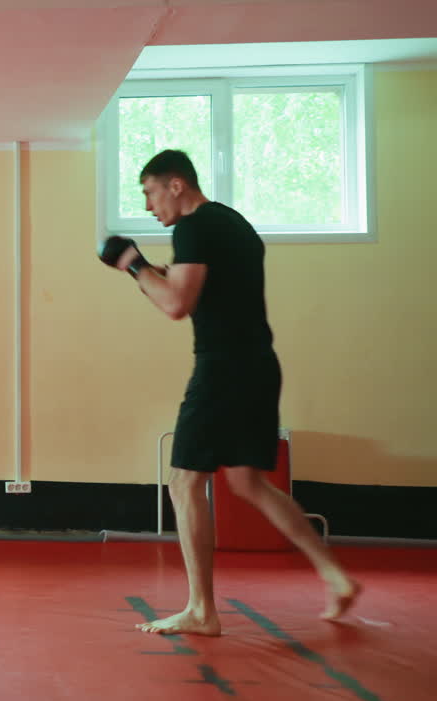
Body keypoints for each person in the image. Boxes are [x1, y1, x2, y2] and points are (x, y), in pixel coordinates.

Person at [100, 149, 359, 636]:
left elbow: (176, 304)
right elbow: (202, 285)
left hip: (224, 367)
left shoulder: (192, 228)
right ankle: (334, 574)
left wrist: (134, 266)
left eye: (150, 193)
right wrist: (151, 270)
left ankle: (202, 610)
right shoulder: (232, 223)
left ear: (176, 185)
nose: (149, 207)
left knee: (183, 483)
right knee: (248, 482)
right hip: (259, 365)